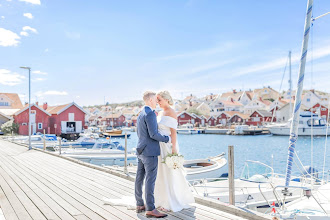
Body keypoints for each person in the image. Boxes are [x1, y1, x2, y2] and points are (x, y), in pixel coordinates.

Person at [154, 91, 195, 212]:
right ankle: (160, 199)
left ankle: (170, 201)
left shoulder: (171, 112)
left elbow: (173, 132)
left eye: (159, 100)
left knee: (169, 171)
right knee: (160, 172)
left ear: (166, 99)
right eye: (157, 100)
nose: (158, 103)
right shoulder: (160, 112)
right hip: (159, 146)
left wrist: (173, 148)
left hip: (167, 145)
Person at [135, 91, 170, 218]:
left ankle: (139, 204)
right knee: (150, 179)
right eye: (155, 99)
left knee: (139, 178)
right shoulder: (150, 114)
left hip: (140, 149)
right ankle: (150, 208)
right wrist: (167, 138)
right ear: (150, 100)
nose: (157, 101)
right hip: (149, 152)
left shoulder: (141, 113)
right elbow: (153, 134)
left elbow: (140, 133)